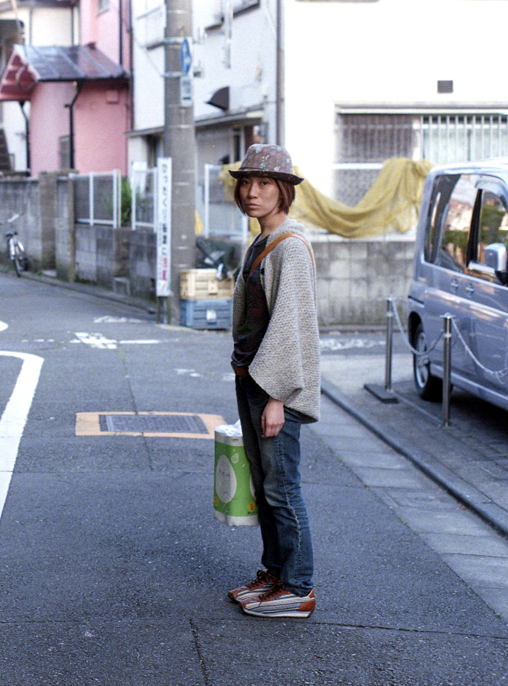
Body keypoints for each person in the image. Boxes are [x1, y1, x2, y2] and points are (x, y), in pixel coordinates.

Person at [225, 144, 320, 618]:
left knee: (283, 487)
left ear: (283, 191)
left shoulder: (291, 247)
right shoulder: (262, 242)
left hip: (273, 387)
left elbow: (291, 328)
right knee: (265, 486)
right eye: (246, 183)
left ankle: (299, 587)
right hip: (253, 380)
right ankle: (275, 575)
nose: (251, 192)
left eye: (263, 183)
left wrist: (278, 397)